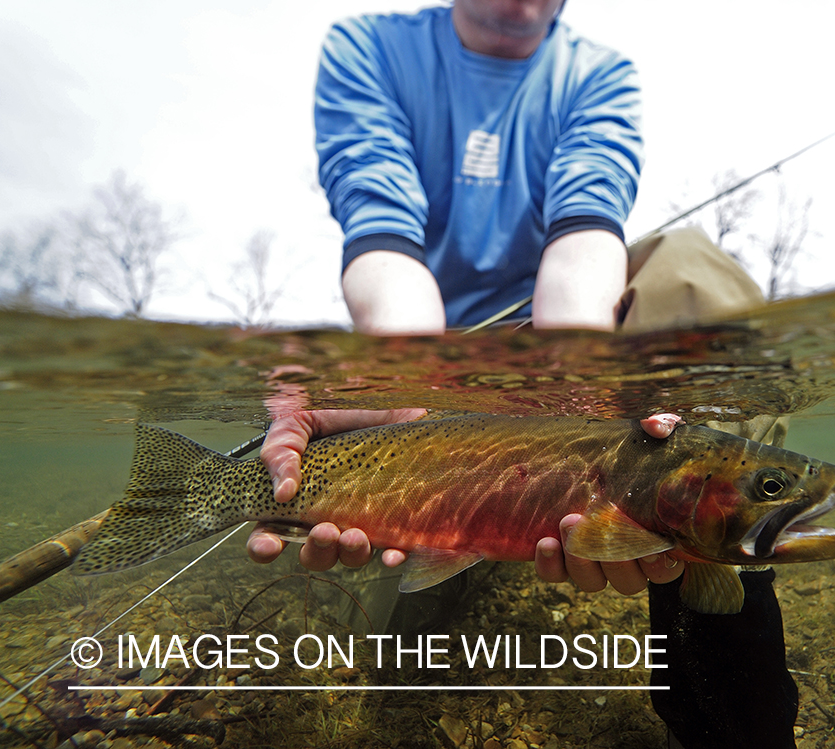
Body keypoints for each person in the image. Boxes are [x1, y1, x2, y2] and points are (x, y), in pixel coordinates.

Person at [249, 2, 798, 746]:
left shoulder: (598, 74)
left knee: (696, 278)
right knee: (407, 630)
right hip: (420, 355)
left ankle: (730, 708)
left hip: (572, 338)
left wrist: (574, 397)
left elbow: (582, 240)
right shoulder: (368, 45)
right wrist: (412, 388)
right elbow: (379, 231)